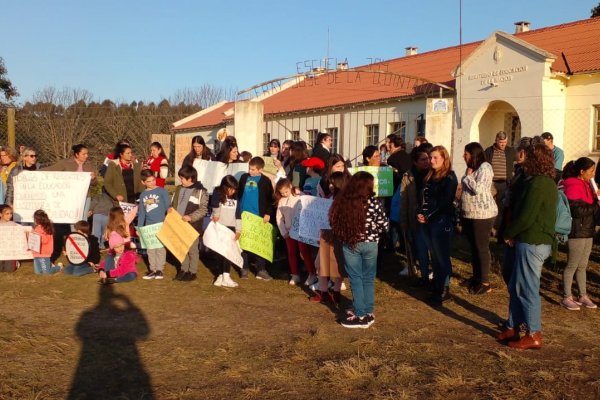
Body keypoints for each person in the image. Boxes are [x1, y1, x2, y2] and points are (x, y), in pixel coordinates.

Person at [496, 144, 557, 350]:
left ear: (534, 159)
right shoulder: (537, 181)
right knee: (516, 285)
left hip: (532, 241)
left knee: (527, 288)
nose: (520, 159)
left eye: (525, 156)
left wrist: (508, 233)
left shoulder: (539, 184)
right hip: (530, 240)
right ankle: (513, 326)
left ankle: (533, 332)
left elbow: (527, 216)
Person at [330, 171, 388, 328]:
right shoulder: (374, 203)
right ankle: (368, 311)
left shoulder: (345, 202)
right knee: (368, 278)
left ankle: (360, 315)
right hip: (371, 244)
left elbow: (334, 221)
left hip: (351, 243)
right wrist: (373, 231)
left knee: (356, 278)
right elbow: (384, 225)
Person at [417, 146, 458, 305]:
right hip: (427, 221)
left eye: (435, 158)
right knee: (434, 255)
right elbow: (423, 198)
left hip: (441, 222)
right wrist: (420, 212)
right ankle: (437, 286)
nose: (431, 161)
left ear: (444, 159)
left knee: (442, 256)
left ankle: (444, 289)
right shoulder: (429, 176)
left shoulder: (449, 178)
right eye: (430, 157)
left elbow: (445, 203)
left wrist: (428, 215)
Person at [43, 143, 97, 263]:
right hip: (70, 198)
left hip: (85, 197)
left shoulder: (89, 165)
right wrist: (32, 172)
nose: (86, 156)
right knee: (73, 221)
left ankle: (82, 247)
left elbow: (94, 184)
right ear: (76, 154)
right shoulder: (65, 163)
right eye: (84, 154)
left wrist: (93, 179)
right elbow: (51, 170)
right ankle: (74, 248)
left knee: (83, 221)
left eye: (87, 154)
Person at [560, 157, 598, 310]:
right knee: (572, 265)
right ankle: (567, 296)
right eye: (591, 171)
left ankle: (582, 295)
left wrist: (595, 197)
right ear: (582, 172)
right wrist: (596, 205)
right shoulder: (573, 186)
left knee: (582, 266)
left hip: (587, 230)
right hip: (577, 231)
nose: (593, 174)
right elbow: (577, 211)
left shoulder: (586, 184)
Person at [460, 142, 498, 294]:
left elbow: (479, 189)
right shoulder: (472, 168)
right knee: (474, 247)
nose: (464, 156)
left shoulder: (485, 167)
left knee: (481, 248)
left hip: (482, 215)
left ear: (474, 154)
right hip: (469, 214)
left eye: (466, 154)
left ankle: (485, 282)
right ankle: (476, 277)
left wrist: (467, 177)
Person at [310, 171, 350, 304]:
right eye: (330, 183)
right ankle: (326, 292)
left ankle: (333, 292)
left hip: (336, 234)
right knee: (321, 264)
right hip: (327, 233)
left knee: (336, 264)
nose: (331, 186)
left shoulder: (343, 200)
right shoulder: (330, 197)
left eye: (333, 183)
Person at [235, 157, 275, 280]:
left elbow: (270, 200)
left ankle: (261, 269)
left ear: (260, 169)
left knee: (259, 244)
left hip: (258, 217)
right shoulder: (243, 178)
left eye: (253, 169)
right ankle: (244, 268)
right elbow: (239, 194)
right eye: (249, 168)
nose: (250, 171)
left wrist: (268, 213)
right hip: (244, 216)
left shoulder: (265, 181)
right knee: (244, 243)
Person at [400, 145, 432, 286]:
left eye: (428, 159)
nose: (427, 162)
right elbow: (404, 199)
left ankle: (433, 271)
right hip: (416, 216)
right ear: (415, 162)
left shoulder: (433, 174)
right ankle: (423, 274)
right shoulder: (408, 175)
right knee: (420, 246)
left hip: (431, 217)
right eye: (423, 159)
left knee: (432, 247)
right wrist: (404, 220)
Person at [275, 178, 317, 286]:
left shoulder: (299, 197)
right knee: (291, 253)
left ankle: (312, 273)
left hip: (300, 230)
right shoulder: (281, 201)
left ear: (290, 187)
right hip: (289, 232)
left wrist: (300, 192)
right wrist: (283, 231)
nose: (284, 194)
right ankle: (295, 274)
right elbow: (279, 218)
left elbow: (307, 204)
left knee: (304, 252)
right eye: (282, 193)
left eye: (286, 191)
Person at [171, 165, 209, 282]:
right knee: (181, 249)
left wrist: (190, 217)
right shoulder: (178, 189)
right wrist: (170, 209)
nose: (180, 180)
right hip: (178, 225)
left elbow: (203, 209)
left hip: (192, 226)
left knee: (192, 250)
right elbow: (173, 203)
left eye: (182, 178)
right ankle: (183, 269)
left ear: (190, 178)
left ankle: (192, 272)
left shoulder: (201, 191)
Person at [137, 170, 171, 280]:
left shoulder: (162, 191)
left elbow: (168, 207)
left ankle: (160, 269)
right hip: (148, 226)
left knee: (160, 248)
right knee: (150, 249)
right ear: (143, 182)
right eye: (149, 181)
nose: (152, 183)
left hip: (161, 224)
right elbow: (142, 212)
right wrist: (140, 227)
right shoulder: (143, 195)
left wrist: (169, 210)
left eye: (153, 180)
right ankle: (153, 270)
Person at [484, 131, 517, 235]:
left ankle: (498, 229)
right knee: (489, 206)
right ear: (496, 141)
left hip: (504, 183)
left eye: (505, 142)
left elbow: (517, 160)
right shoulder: (489, 151)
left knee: (501, 207)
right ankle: (489, 229)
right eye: (501, 142)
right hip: (491, 183)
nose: (503, 144)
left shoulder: (511, 151)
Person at [210, 175, 240, 287]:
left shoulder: (235, 197)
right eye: (230, 188)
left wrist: (238, 229)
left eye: (234, 189)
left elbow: (238, 214)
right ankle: (220, 275)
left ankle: (226, 275)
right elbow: (214, 204)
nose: (232, 191)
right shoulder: (217, 193)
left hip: (230, 227)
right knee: (219, 252)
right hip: (219, 226)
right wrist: (216, 215)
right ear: (224, 187)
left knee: (228, 252)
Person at [31, 209, 63, 275]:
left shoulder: (46, 228)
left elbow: (45, 240)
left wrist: (36, 234)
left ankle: (59, 267)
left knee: (46, 272)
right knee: (38, 273)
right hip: (36, 253)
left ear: (37, 220)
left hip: (44, 253)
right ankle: (50, 264)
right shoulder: (37, 228)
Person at [0, 204, 18, 272]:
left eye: (11, 213)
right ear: (1, 214)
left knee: (10, 270)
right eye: (7, 214)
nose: (10, 215)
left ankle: (16, 262)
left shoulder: (13, 224)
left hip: (9, 251)